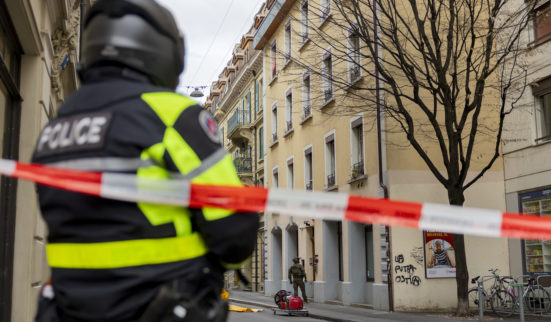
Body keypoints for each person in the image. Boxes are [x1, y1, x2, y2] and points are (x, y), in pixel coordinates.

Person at [31, 0, 258, 321]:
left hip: (67, 310)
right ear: (163, 52)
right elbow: (235, 233)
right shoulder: (171, 114)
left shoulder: (58, 125)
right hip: (156, 307)